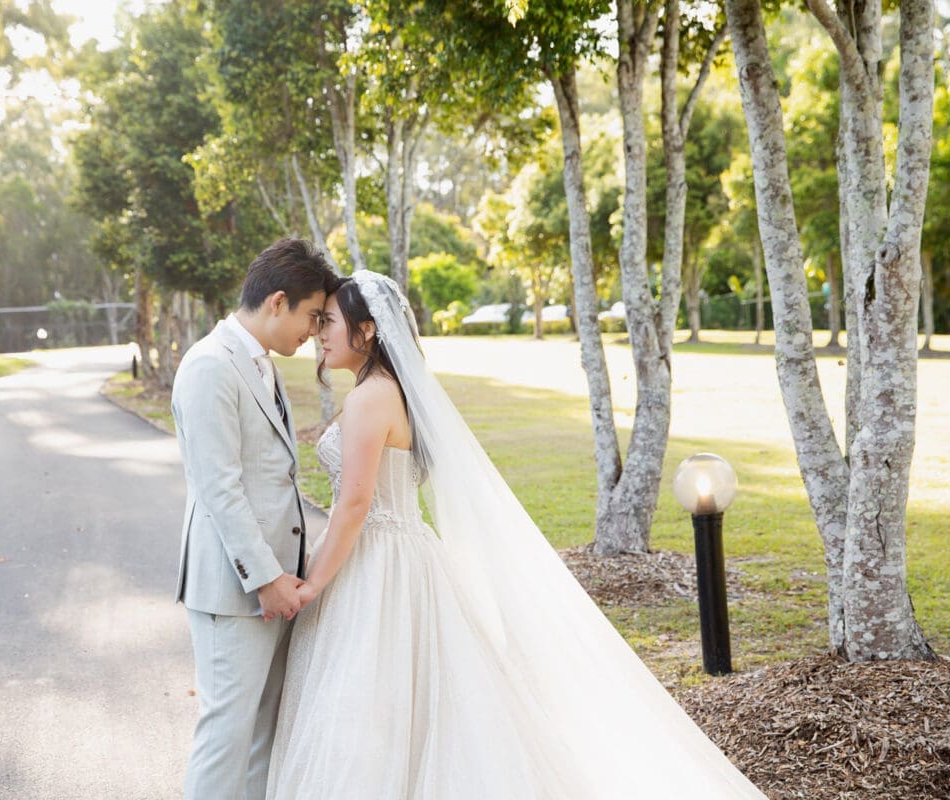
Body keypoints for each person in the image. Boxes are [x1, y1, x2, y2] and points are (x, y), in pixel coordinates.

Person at [266, 270, 769, 799]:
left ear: (366, 330)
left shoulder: (371, 398)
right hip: (404, 555)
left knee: (366, 706)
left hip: (375, 560)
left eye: (330, 323)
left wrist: (315, 582)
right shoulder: (397, 392)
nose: (321, 334)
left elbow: (355, 503)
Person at [170, 238, 339, 800]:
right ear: (278, 302)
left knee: (261, 736)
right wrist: (267, 579)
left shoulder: (258, 363)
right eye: (313, 316)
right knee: (226, 736)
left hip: (271, 588)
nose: (316, 331)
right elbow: (220, 488)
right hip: (235, 590)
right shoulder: (209, 366)